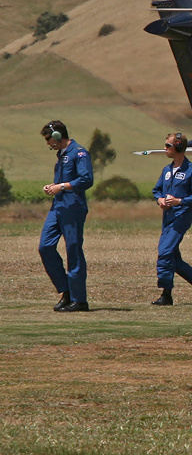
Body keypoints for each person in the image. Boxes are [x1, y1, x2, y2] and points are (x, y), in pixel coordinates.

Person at [151, 133, 192, 306]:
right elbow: (156, 190)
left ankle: (166, 294)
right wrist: (160, 200)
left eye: (168, 145)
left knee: (164, 253)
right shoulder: (166, 170)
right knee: (173, 258)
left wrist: (180, 201)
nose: (165, 149)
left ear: (178, 147)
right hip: (167, 217)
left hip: (182, 217)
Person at [39, 120, 94, 312]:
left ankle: (79, 300)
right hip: (58, 206)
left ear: (57, 137)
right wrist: (53, 187)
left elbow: (86, 179)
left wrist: (60, 187)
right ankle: (66, 290)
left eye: (48, 139)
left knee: (73, 250)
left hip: (73, 206)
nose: (48, 143)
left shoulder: (79, 153)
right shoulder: (61, 155)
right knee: (45, 246)